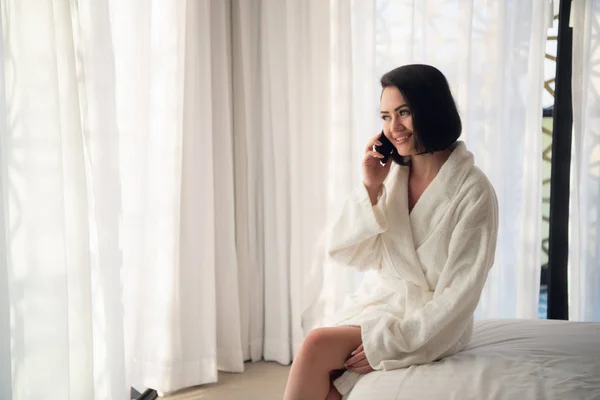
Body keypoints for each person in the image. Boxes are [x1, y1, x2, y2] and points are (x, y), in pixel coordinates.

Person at [283, 64, 499, 400]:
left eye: (404, 113)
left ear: (430, 111)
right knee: (327, 387)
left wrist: (388, 343)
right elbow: (347, 252)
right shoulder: (392, 177)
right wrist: (370, 186)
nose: (393, 128)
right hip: (383, 303)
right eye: (385, 116)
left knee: (315, 345)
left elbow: (460, 296)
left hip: (433, 325)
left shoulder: (473, 191)